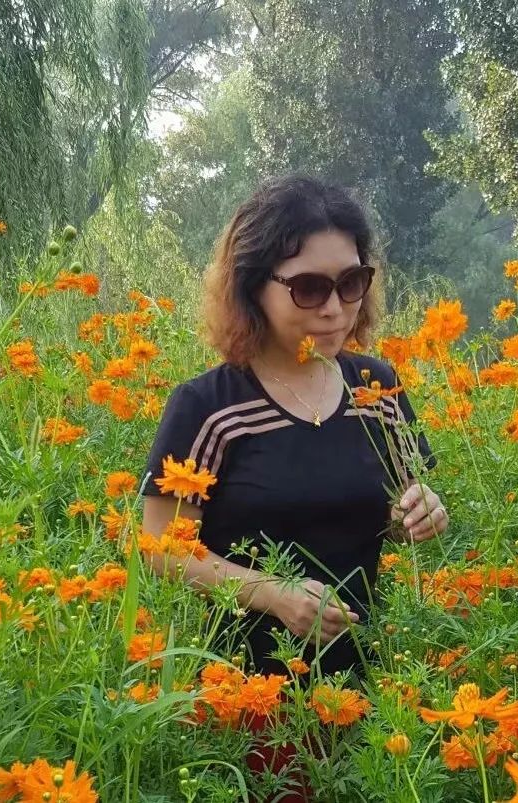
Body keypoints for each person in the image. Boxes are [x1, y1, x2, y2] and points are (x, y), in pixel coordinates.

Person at [140, 173, 449, 679]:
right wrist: (272, 594)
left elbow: (397, 513)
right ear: (252, 287)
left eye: (351, 283)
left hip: (371, 682)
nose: (334, 309)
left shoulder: (377, 390)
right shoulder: (208, 407)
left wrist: (421, 514)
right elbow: (161, 548)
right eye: (309, 288)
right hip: (240, 685)